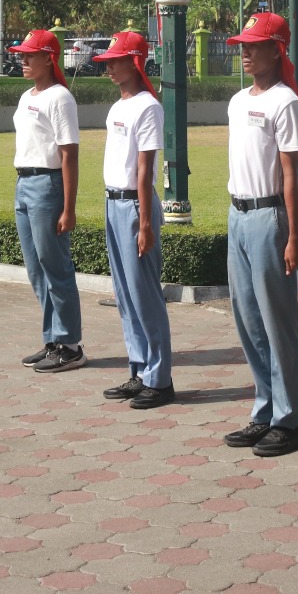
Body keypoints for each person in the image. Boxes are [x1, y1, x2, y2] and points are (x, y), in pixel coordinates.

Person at [222, 12, 298, 457]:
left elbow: (291, 174)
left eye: (254, 45)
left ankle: (290, 420)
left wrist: (294, 235)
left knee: (278, 323)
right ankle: (265, 410)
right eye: (243, 44)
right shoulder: (239, 101)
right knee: (249, 321)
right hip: (238, 215)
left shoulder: (284, 102)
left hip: (269, 217)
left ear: (276, 49)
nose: (245, 51)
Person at [94, 31, 176, 409]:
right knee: (125, 294)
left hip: (135, 205)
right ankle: (139, 368)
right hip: (114, 202)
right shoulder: (118, 106)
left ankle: (159, 379)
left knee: (144, 295)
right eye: (108, 61)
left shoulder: (148, 106)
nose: (109, 66)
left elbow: (144, 171)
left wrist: (145, 222)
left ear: (136, 62)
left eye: (116, 59)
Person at [11, 28, 85, 372]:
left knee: (55, 267)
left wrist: (68, 208)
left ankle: (70, 344)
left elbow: (69, 154)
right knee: (36, 268)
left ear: (49, 58)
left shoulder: (60, 98)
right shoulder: (28, 95)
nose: (23, 59)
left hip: (47, 184)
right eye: (22, 54)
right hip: (24, 183)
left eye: (30, 54)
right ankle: (52, 339)